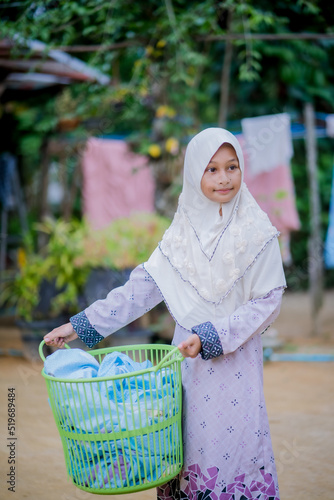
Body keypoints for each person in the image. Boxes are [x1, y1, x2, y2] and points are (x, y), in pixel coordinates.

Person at [44, 128, 286, 500]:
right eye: (212, 169)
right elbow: (138, 291)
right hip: (184, 369)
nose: (224, 178)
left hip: (235, 366)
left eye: (231, 167)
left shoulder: (257, 232)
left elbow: (266, 302)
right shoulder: (181, 234)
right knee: (185, 448)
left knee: (233, 450)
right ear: (194, 174)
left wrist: (210, 337)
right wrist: (81, 325)